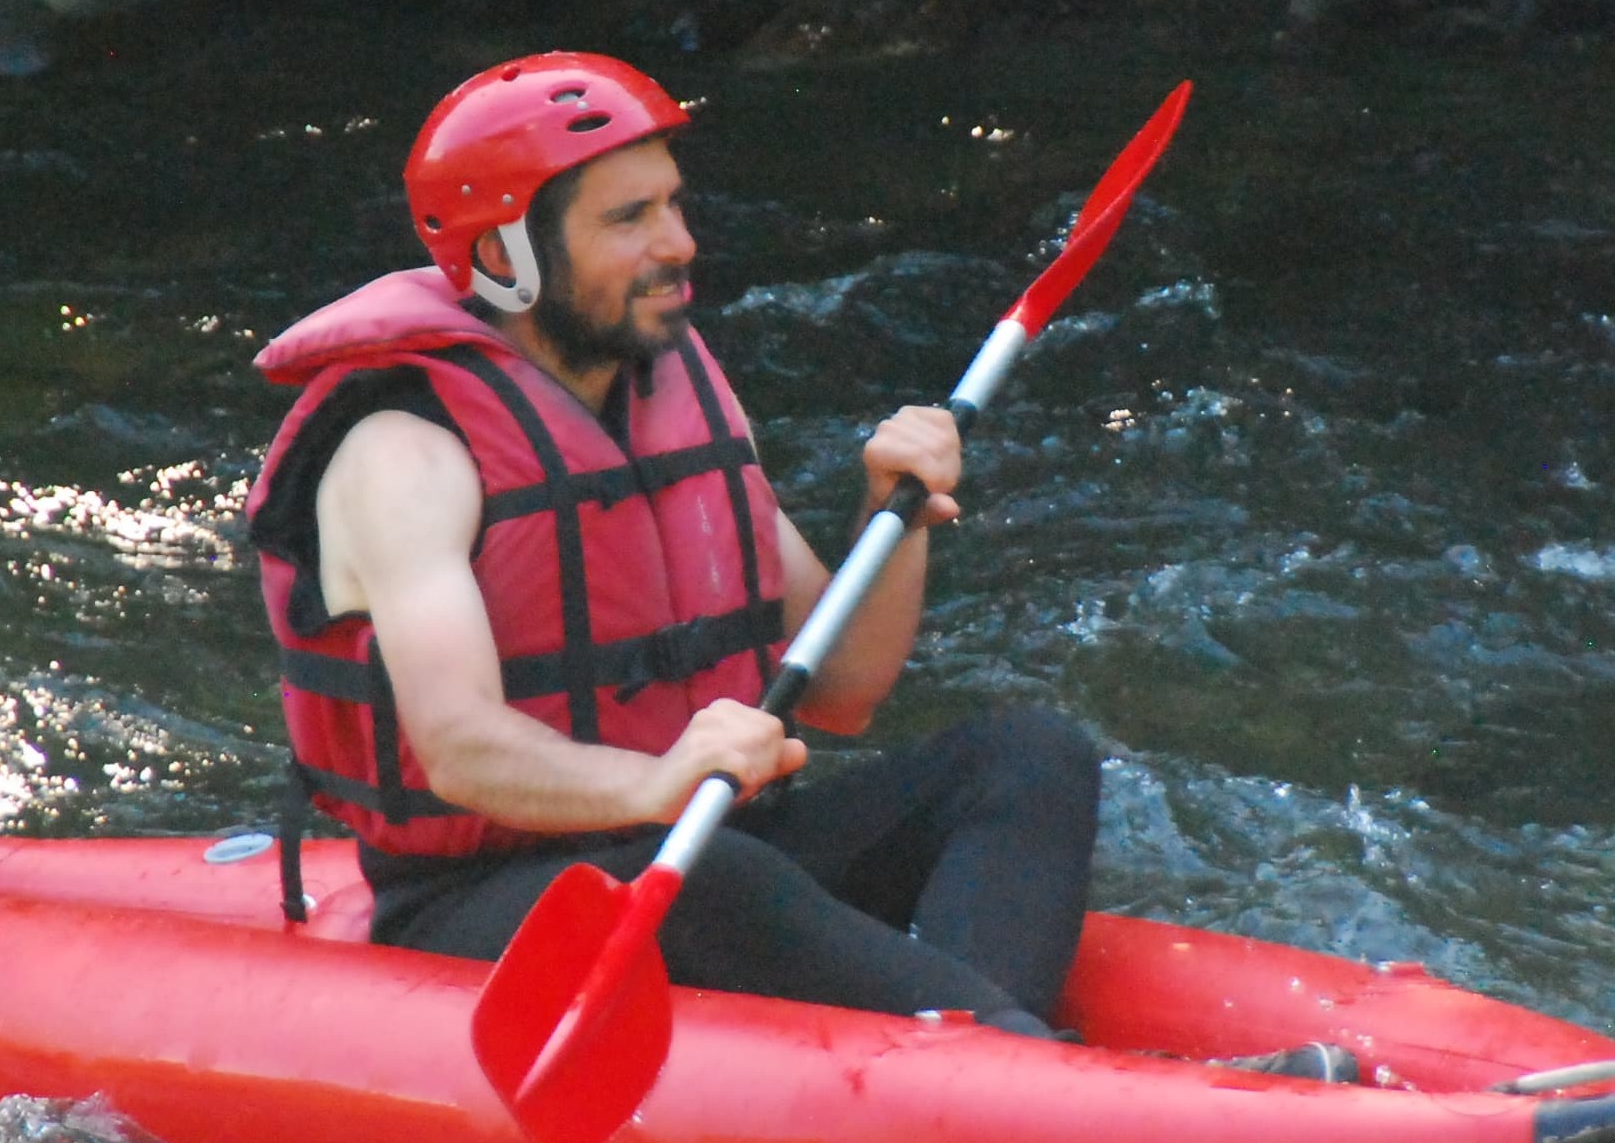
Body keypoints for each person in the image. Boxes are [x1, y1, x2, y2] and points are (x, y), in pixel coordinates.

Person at [244, 51, 1103, 1039]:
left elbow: (845, 687)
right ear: (501, 257)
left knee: (1028, 756)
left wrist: (894, 517)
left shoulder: (669, 388)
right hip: (487, 898)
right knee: (710, 875)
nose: (679, 242)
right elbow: (458, 745)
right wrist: (651, 786)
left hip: (716, 847)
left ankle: (984, 1057)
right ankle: (1015, 1063)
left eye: (672, 206)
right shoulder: (404, 448)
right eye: (628, 218)